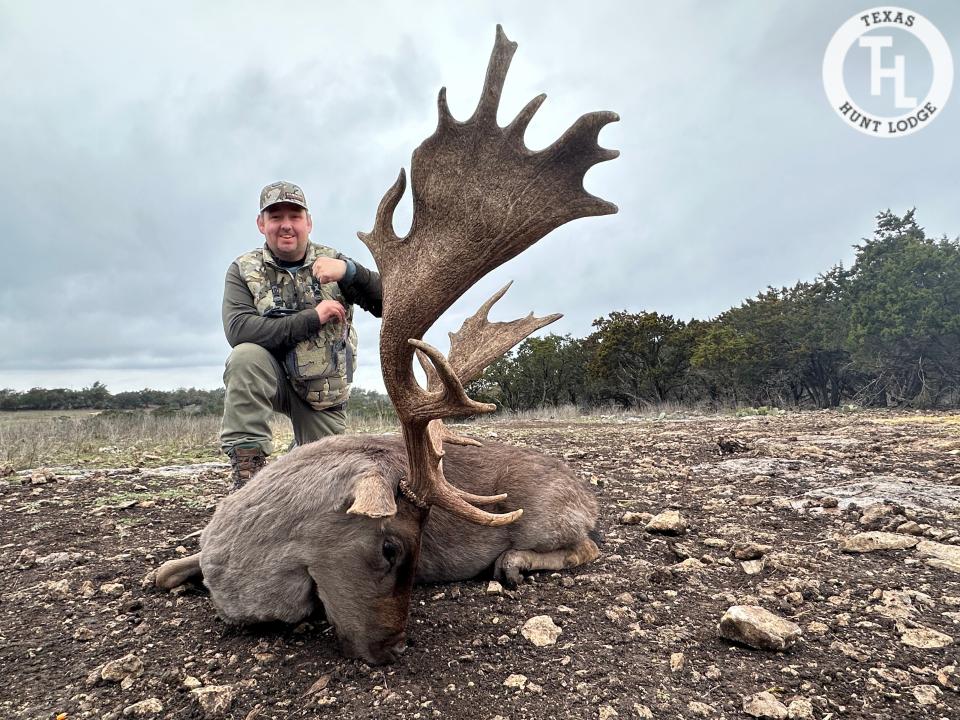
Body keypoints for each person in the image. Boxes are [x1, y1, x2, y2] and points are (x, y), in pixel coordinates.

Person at [220, 181, 382, 488]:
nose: (286, 226)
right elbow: (239, 329)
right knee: (244, 357)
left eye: (294, 216)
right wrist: (313, 318)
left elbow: (390, 302)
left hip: (323, 394)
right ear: (261, 224)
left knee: (324, 485)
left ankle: (292, 464)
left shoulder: (335, 262)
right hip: (273, 379)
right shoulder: (244, 269)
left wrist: (352, 273)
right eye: (276, 217)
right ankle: (247, 475)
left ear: (308, 222)